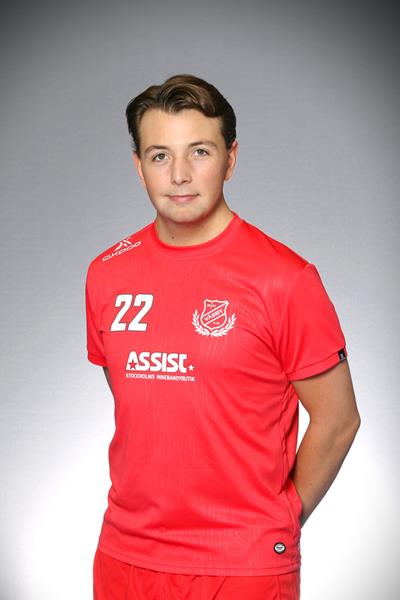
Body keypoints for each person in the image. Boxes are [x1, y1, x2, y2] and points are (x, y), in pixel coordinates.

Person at [85, 73, 361, 600]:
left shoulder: (286, 279)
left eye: (200, 152)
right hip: (126, 555)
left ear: (230, 160)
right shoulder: (106, 273)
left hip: (242, 565)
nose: (180, 175)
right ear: (139, 167)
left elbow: (339, 419)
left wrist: (278, 518)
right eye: (160, 155)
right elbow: (136, 398)